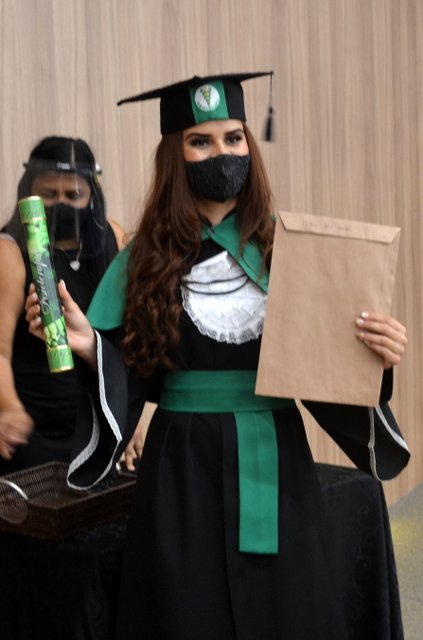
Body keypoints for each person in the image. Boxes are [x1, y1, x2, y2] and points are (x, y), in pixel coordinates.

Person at [26, 74, 409, 639]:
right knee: (188, 610)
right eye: (200, 141)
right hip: (182, 466)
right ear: (175, 154)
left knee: (288, 610)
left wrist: (378, 354)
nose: (221, 153)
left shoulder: (288, 247)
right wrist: (91, 347)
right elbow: (128, 367)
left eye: (234, 138)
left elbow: (331, 365)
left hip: (277, 459)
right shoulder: (145, 258)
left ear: (250, 144)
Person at [0, 136, 126, 472]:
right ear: (29, 191)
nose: (61, 204)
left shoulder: (113, 238)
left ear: (92, 195)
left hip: (101, 425)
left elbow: (125, 342)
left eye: (74, 195)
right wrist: (8, 409)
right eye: (48, 194)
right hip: (34, 434)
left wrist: (133, 417)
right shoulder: (8, 252)